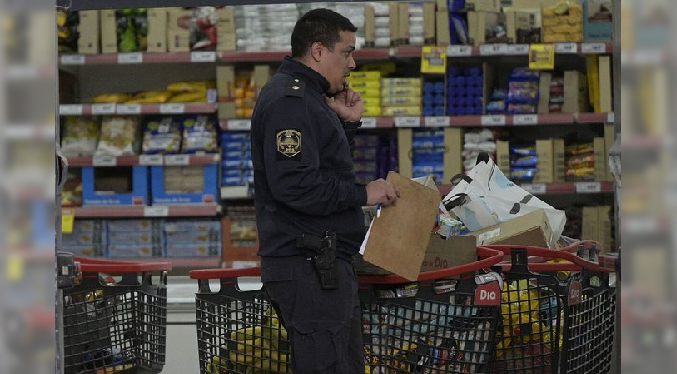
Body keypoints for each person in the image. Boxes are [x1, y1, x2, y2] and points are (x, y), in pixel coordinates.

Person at [250, 8, 399, 374]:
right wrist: (365, 194)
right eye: (346, 52)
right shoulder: (291, 101)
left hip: (322, 265)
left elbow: (319, 168)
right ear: (318, 51)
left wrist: (346, 126)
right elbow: (296, 186)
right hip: (309, 267)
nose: (353, 63)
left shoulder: (310, 99)